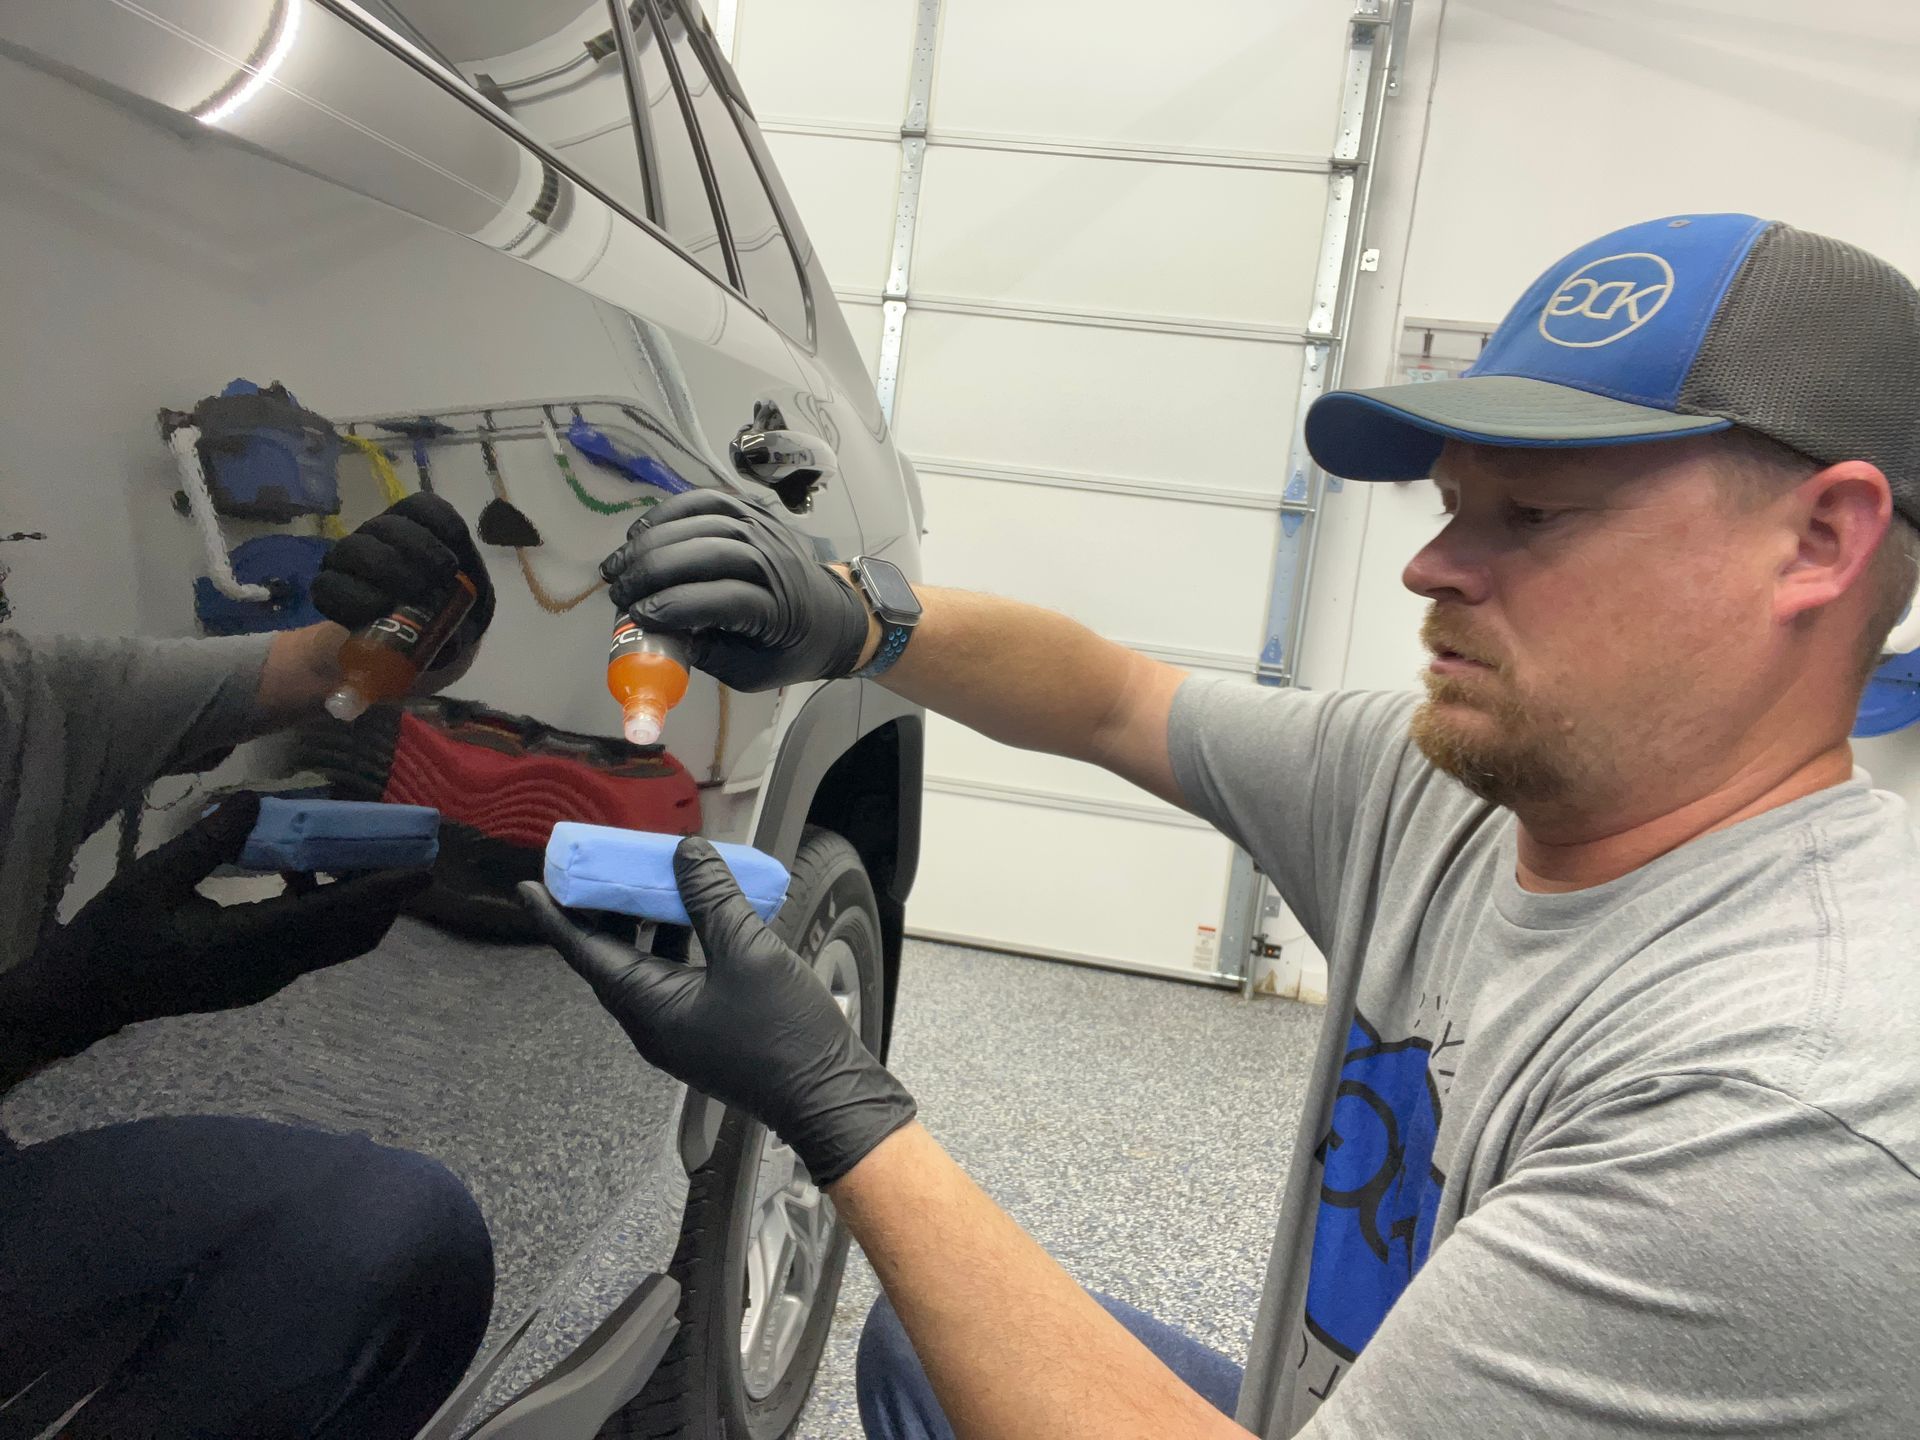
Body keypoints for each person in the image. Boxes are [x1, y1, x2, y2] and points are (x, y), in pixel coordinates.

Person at [528, 212, 1920, 1439]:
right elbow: (1115, 699)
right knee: (929, 1361)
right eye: (1450, 506)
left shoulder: (1782, 1111)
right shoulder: (1442, 792)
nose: (1433, 566)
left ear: (1820, 542)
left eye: (1535, 515)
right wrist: (858, 616)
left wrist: (839, 1108)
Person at [0, 493, 498, 1438]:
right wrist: (55, 1009)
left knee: (386, 1231)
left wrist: (433, 614)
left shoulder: (26, 701)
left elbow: (331, 670)